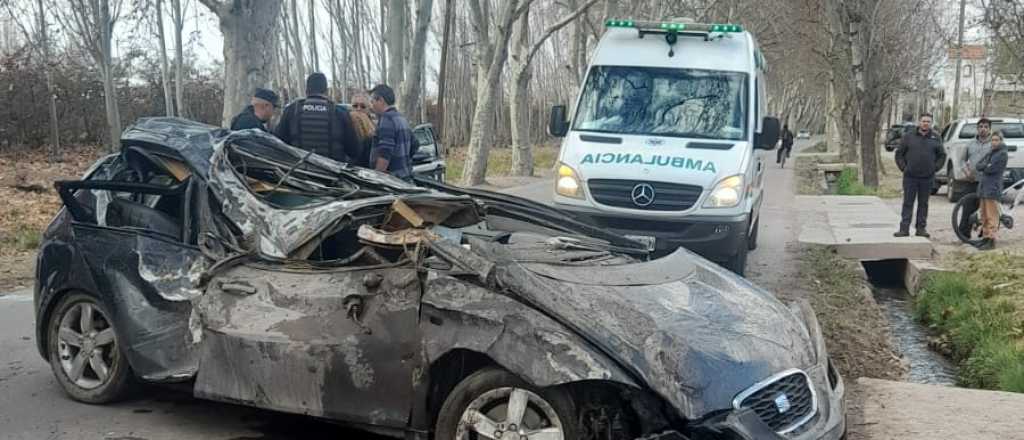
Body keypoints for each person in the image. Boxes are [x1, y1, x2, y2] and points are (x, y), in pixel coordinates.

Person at [275, 73, 361, 163]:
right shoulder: (340, 112)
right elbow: (354, 151)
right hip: (332, 173)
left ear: (306, 91)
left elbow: (278, 143)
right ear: (326, 91)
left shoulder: (291, 110)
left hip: (298, 172)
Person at [894, 113, 946, 238]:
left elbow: (942, 155)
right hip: (910, 177)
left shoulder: (936, 137)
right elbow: (899, 154)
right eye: (923, 121)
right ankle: (904, 229)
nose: (925, 123)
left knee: (923, 204)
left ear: (931, 123)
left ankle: (921, 229)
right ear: (919, 122)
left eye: (928, 121)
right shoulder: (908, 136)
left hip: (927, 177)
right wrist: (904, 168)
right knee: (908, 203)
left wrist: (934, 168)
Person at [953, 118, 992, 239]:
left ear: (990, 129)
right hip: (971, 181)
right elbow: (962, 161)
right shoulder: (970, 143)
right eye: (980, 127)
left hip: (988, 182)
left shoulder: (994, 143)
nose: (983, 129)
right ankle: (964, 234)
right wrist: (967, 172)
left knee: (986, 210)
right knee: (967, 208)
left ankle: (985, 235)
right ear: (977, 128)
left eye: (986, 127)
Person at [367, 84, 413, 181]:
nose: (371, 106)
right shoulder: (401, 118)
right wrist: (402, 161)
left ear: (381, 100)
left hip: (392, 182)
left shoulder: (386, 119)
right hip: (405, 178)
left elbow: (385, 152)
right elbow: (415, 144)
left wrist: (376, 178)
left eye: (372, 101)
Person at [973, 131, 1009, 250]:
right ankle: (985, 237)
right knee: (984, 215)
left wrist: (986, 166)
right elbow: (978, 165)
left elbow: (991, 169)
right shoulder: (990, 153)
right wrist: (986, 166)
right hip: (984, 187)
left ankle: (991, 240)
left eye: (996, 140)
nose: (994, 142)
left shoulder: (1002, 154)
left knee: (992, 216)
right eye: (992, 140)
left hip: (993, 187)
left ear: (1001, 141)